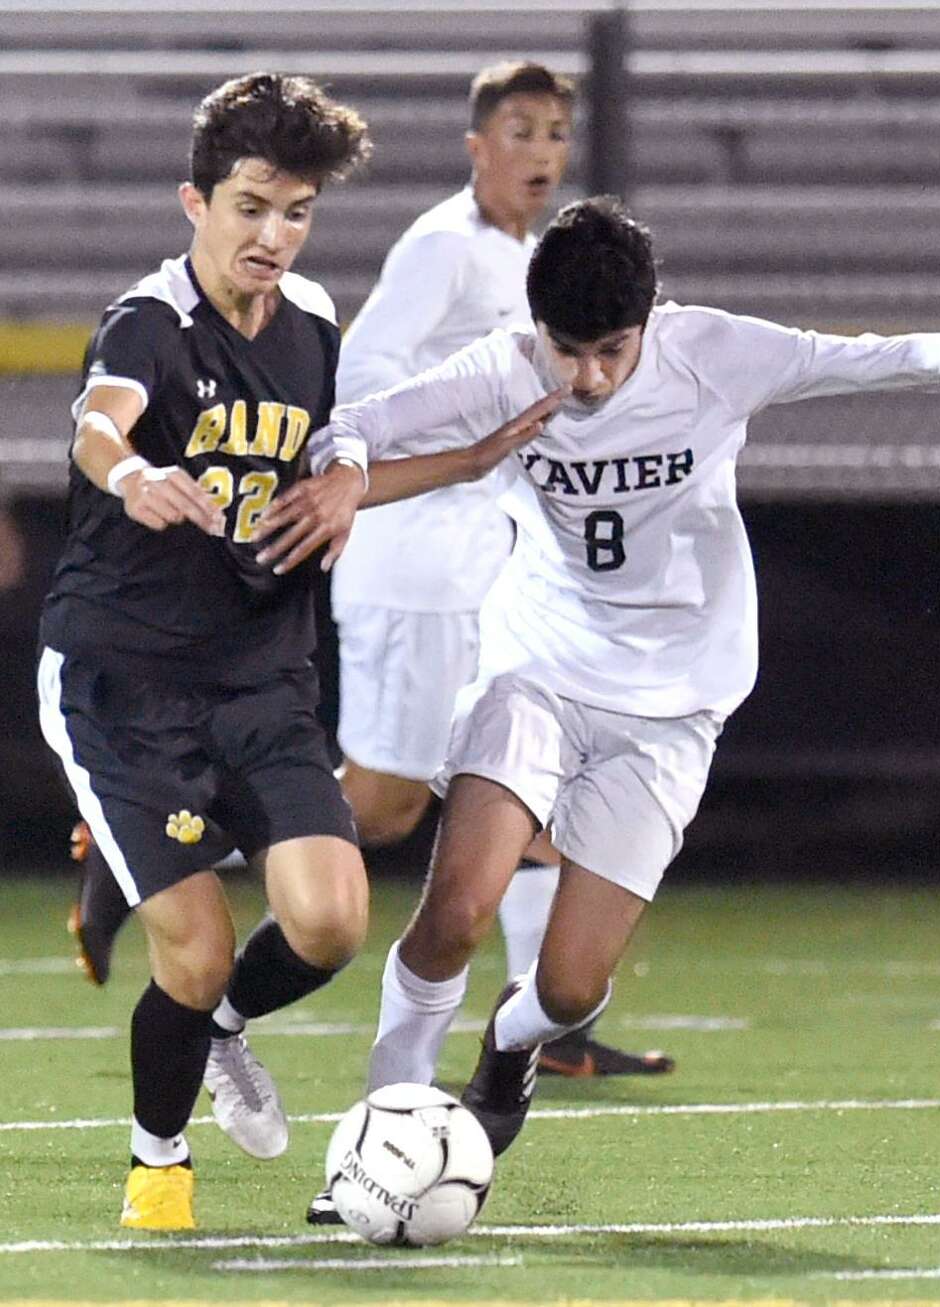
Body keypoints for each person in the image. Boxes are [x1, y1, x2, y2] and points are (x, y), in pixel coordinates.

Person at [257, 195, 940, 1172]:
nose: (591, 376)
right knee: (455, 910)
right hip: (536, 670)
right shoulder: (505, 367)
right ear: (538, 330)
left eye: (613, 349)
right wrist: (348, 468)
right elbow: (359, 420)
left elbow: (879, 356)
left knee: (569, 988)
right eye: (571, 351)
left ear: (651, 319)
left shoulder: (716, 354)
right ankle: (383, 1125)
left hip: (674, 704)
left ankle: (514, 1045)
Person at [36, 72, 557, 1232]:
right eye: (252, 207)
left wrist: (455, 464)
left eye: (297, 211)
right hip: (125, 676)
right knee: (200, 946)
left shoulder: (315, 324)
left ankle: (222, 1032)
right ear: (195, 202)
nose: (274, 236)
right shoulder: (150, 321)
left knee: (329, 920)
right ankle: (157, 1160)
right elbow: (97, 422)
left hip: (261, 670)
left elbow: (338, 469)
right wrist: (131, 473)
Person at [331, 59, 672, 1093]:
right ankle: (168, 845)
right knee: (382, 810)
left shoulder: (534, 263)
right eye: (520, 131)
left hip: (488, 574)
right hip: (414, 571)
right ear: (478, 145)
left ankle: (545, 1020)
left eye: (557, 134)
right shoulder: (443, 247)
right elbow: (361, 380)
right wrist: (471, 423)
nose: (542, 153)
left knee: (537, 779)